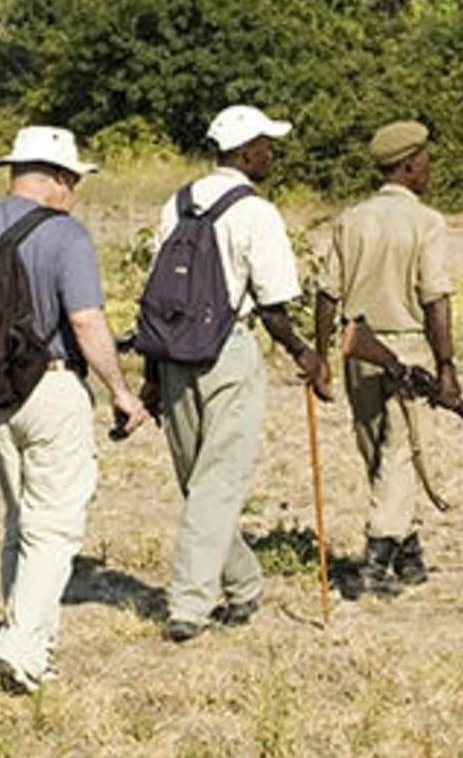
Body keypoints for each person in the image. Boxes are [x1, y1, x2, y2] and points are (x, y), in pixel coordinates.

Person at [141, 104, 327, 642]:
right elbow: (272, 305)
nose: (272, 153)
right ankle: (190, 606)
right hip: (228, 350)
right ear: (246, 153)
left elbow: (159, 297)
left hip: (174, 355)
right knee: (216, 484)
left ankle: (243, 588)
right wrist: (304, 354)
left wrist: (153, 374)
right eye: (267, 145)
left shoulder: (174, 205)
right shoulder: (256, 212)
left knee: (201, 483)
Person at [0, 126, 148, 693]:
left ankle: (34, 641)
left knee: (20, 519)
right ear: (55, 177)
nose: (75, 190)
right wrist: (120, 390)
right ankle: (21, 648)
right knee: (54, 526)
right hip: (51, 384)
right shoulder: (65, 234)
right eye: (73, 179)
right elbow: (85, 320)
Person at [313, 120, 458, 598]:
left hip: (358, 346)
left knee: (378, 451)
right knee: (400, 454)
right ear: (411, 164)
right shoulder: (426, 222)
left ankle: (407, 553)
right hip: (407, 345)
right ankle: (375, 560)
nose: (428, 170)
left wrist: (323, 356)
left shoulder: (351, 219)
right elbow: (435, 298)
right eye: (426, 162)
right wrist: (446, 365)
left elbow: (327, 294)